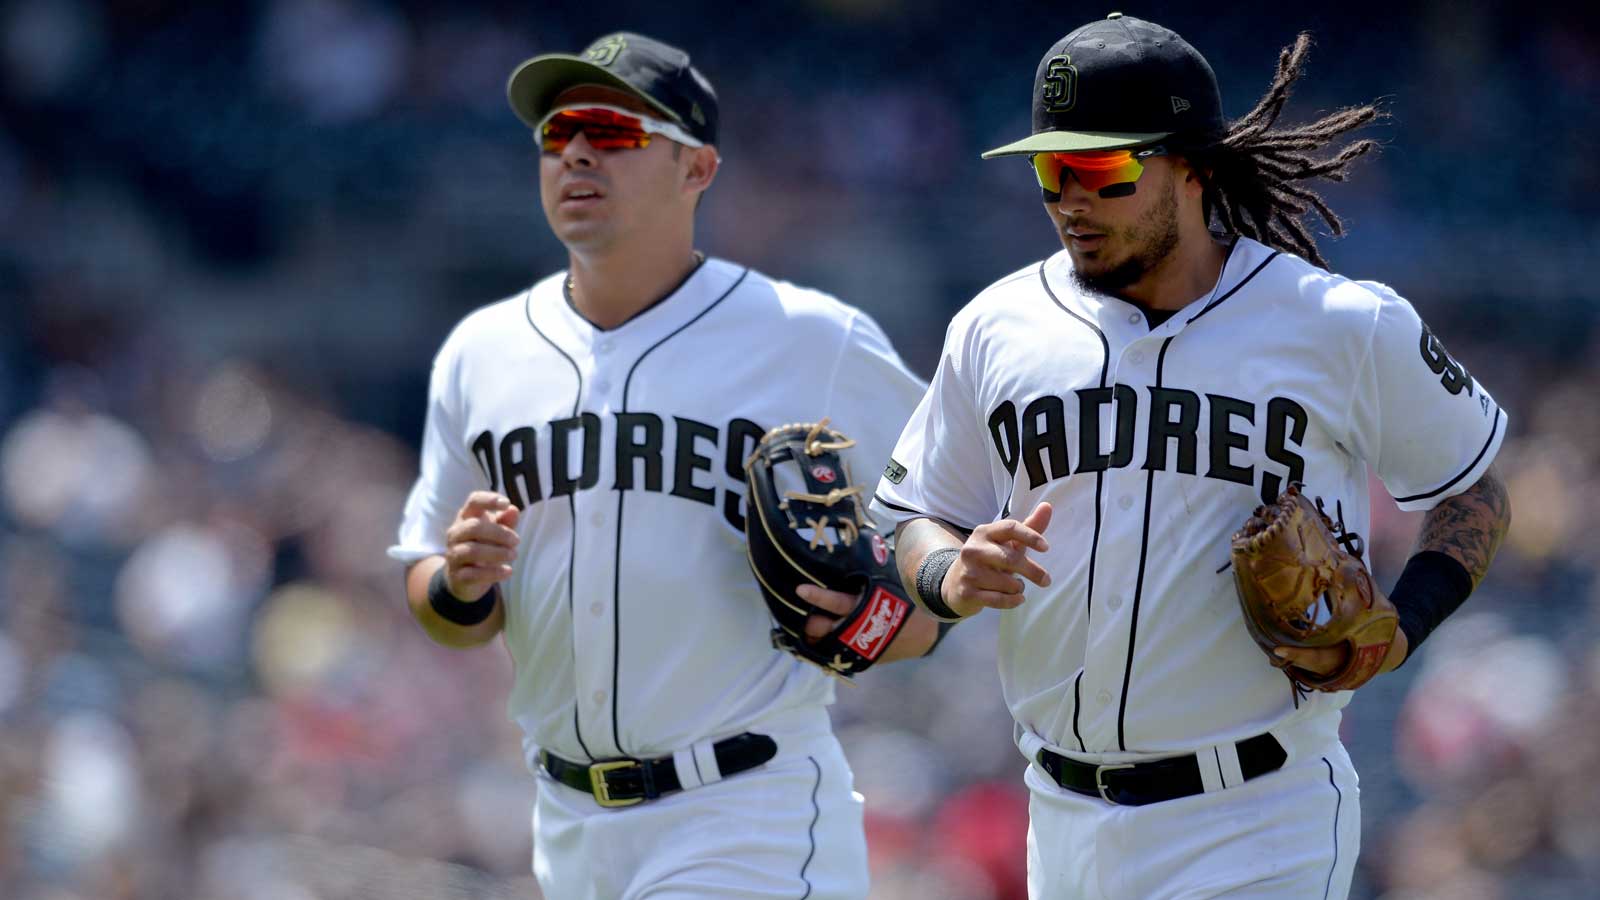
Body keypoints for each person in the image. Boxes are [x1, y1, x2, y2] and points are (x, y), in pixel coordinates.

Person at [872, 13, 1511, 899]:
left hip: (1256, 818)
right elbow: (912, 512)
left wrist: (1405, 627)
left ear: (1193, 167)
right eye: (1049, 170)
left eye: (1098, 169)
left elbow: (1472, 490)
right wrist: (946, 568)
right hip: (1058, 819)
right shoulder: (995, 325)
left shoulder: (1336, 324)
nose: (1069, 200)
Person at [388, 31, 938, 900]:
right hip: (566, 827)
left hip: (744, 812)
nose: (574, 151)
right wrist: (458, 584)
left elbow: (943, 539)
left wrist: (879, 619)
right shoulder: (480, 354)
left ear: (698, 169)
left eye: (611, 130)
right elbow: (440, 603)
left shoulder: (810, 339)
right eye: (556, 132)